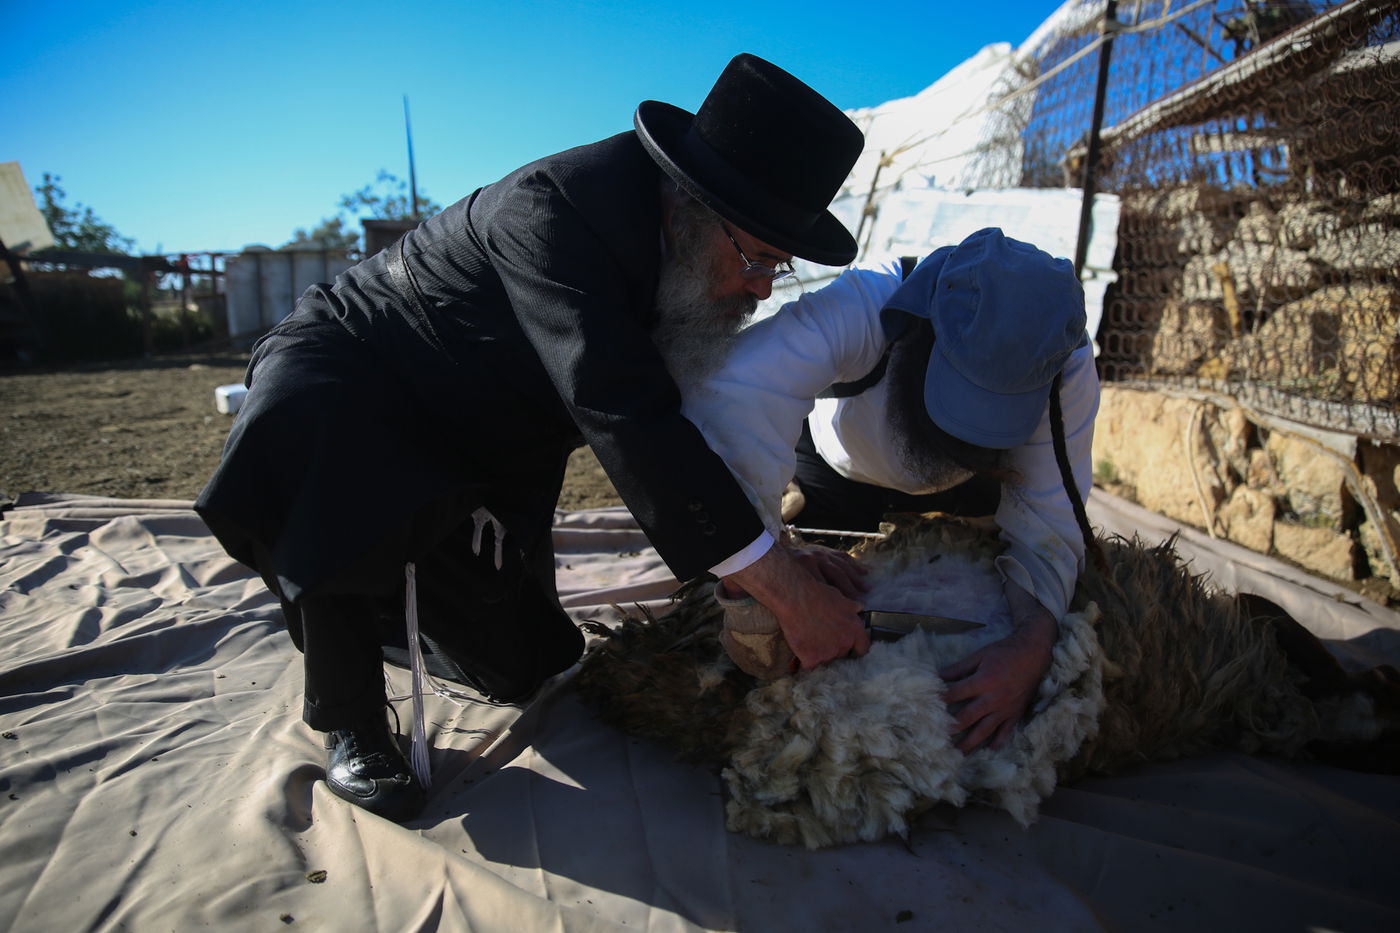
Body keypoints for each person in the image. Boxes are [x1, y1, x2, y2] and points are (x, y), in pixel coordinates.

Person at [195, 53, 872, 822]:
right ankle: (348, 710)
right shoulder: (555, 209)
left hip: (487, 434)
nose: (759, 287)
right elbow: (626, 413)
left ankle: (388, 578)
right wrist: (780, 588)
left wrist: (768, 551)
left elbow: (689, 418)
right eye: (755, 259)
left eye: (775, 268)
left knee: (528, 664)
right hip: (353, 383)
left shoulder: (683, 259)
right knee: (333, 499)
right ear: (691, 203)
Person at [682, 227, 1101, 754]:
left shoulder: (1062, 361)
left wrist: (1032, 644)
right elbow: (733, 395)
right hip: (840, 472)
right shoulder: (866, 304)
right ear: (922, 328)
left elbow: (1051, 516)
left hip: (977, 485)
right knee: (817, 619)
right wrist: (773, 573)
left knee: (986, 601)